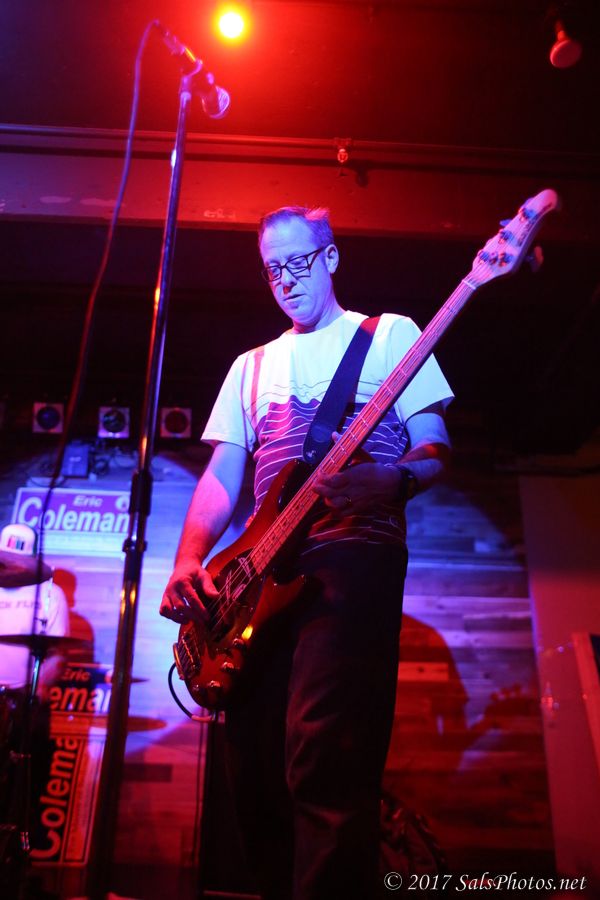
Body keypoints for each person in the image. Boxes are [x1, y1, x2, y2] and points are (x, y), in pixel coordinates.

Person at [160, 206, 453, 900]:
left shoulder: (389, 336)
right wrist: (187, 559)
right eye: (272, 270)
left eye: (298, 263)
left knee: (324, 757)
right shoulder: (251, 366)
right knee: (254, 773)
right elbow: (224, 475)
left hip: (352, 553)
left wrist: (395, 479)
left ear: (331, 258)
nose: (285, 280)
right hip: (261, 573)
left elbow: (435, 447)